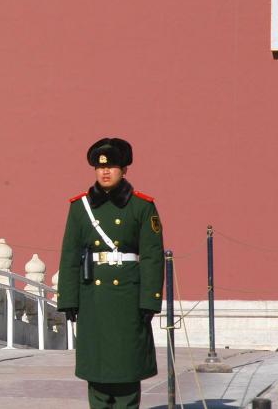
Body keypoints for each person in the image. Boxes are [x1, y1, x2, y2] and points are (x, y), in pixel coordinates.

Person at [57, 137, 164, 409]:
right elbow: (69, 254)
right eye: (100, 167)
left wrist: (149, 300)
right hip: (93, 296)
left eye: (112, 166)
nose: (105, 172)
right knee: (97, 366)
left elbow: (152, 257)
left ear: (124, 169)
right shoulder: (80, 207)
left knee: (126, 367)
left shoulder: (141, 206)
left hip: (127, 297)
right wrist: (68, 299)